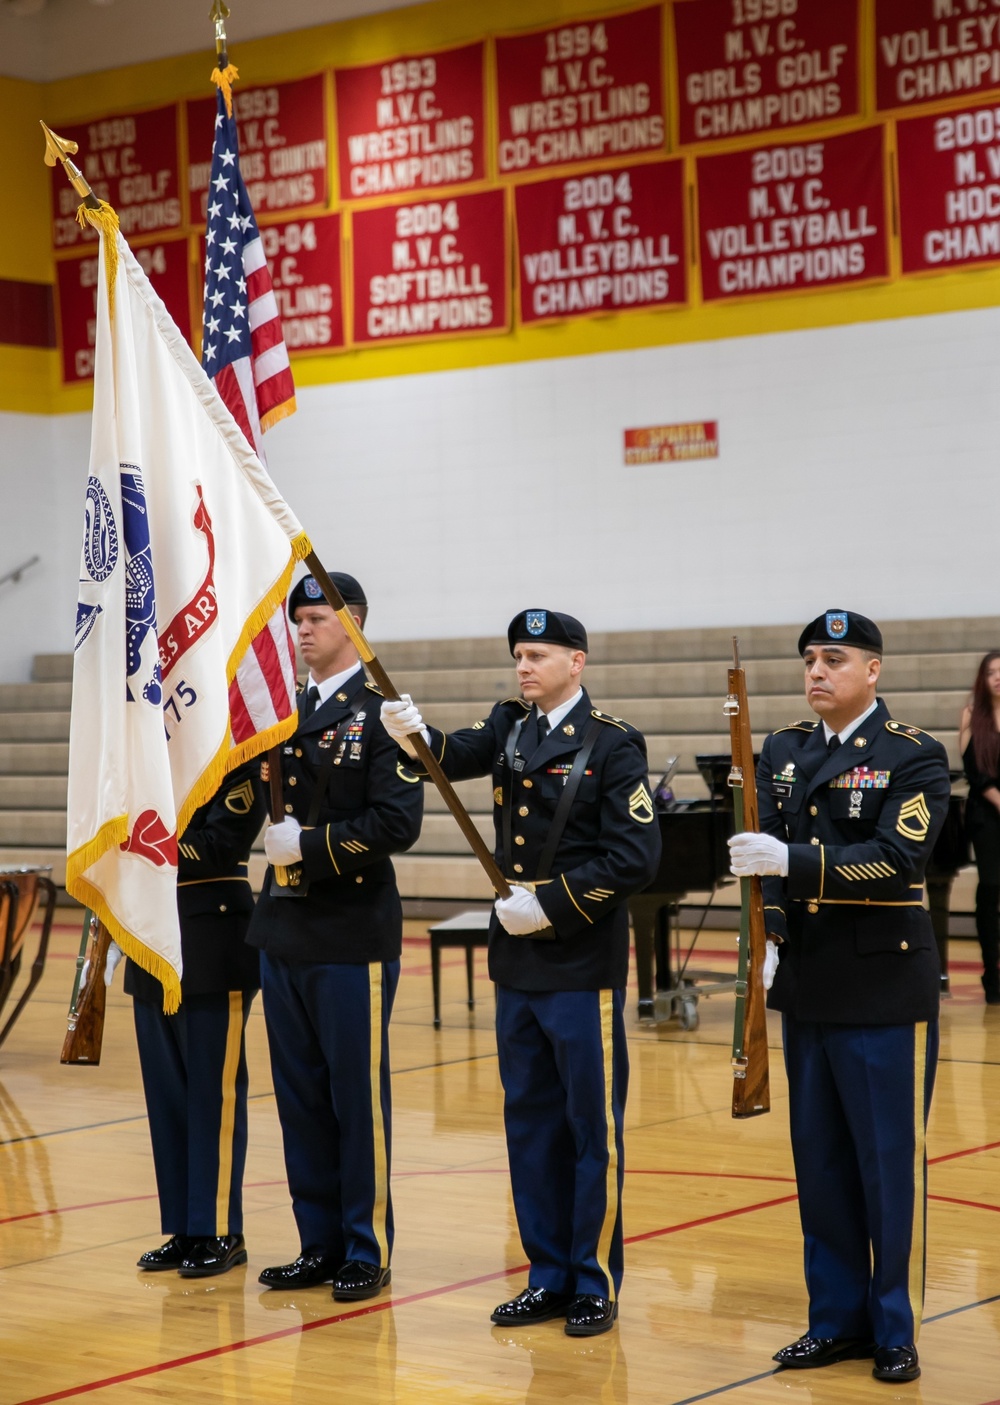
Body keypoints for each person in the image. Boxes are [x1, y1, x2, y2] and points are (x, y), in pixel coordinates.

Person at [381, 609, 661, 1337]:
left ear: (578, 661)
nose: (523, 667)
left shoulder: (613, 742)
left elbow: (634, 858)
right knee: (530, 1124)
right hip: (518, 957)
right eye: (517, 656)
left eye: (537, 655)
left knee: (587, 1127)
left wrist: (555, 905)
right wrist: (411, 732)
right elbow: (449, 755)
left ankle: (592, 1278)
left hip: (579, 957)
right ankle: (546, 1274)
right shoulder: (511, 724)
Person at [729, 609, 949, 1385]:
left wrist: (790, 857)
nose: (817, 671)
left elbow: (895, 857)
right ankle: (837, 1321)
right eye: (810, 660)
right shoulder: (785, 748)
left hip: (883, 986)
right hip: (809, 983)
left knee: (887, 1167)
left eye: (834, 658)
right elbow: (769, 862)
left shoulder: (913, 754)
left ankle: (894, 1327)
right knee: (819, 1165)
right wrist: (773, 940)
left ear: (873, 671)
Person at [247, 572, 423, 1301]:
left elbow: (396, 824)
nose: (304, 631)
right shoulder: (276, 709)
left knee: (355, 1095)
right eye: (299, 620)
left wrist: (309, 846)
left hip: (350, 929)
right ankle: (315, 1241)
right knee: (300, 1097)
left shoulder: (383, 713)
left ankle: (363, 1244)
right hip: (284, 928)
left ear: (353, 624)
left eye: (318, 618)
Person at [128, 758, 267, 1277]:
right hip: (150, 941)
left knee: (213, 1096)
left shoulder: (234, 762)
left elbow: (218, 846)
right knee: (167, 1098)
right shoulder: (148, 762)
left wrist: (134, 848)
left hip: (211, 943)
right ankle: (186, 1227)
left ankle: (220, 1229)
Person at [959, 652, 1000, 1004]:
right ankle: (992, 973)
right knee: (991, 887)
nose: (998, 678)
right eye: (991, 672)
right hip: (986, 815)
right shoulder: (973, 715)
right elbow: (974, 771)